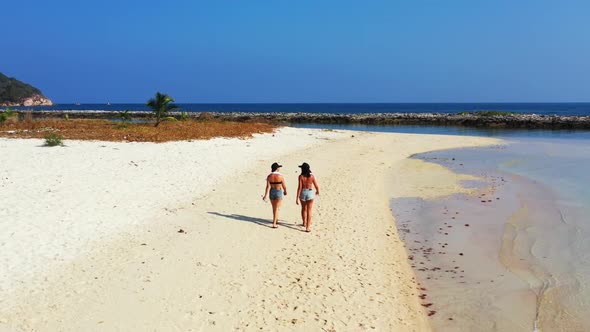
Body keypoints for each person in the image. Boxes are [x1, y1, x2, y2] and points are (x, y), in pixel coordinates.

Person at [296, 162, 320, 232]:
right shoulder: (311, 176)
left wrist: (297, 197)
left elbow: (299, 187)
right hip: (309, 192)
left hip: (303, 192)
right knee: (309, 210)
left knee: (303, 209)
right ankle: (308, 227)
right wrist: (317, 191)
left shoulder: (301, 177)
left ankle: (304, 222)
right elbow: (316, 185)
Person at [262, 162, 287, 228]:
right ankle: (274, 223)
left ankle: (276, 219)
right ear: (277, 168)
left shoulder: (269, 176)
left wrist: (265, 195)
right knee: (277, 208)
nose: (279, 168)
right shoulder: (280, 176)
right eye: (279, 167)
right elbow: (284, 185)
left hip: (272, 191)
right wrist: (285, 191)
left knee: (274, 208)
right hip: (278, 191)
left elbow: (267, 186)